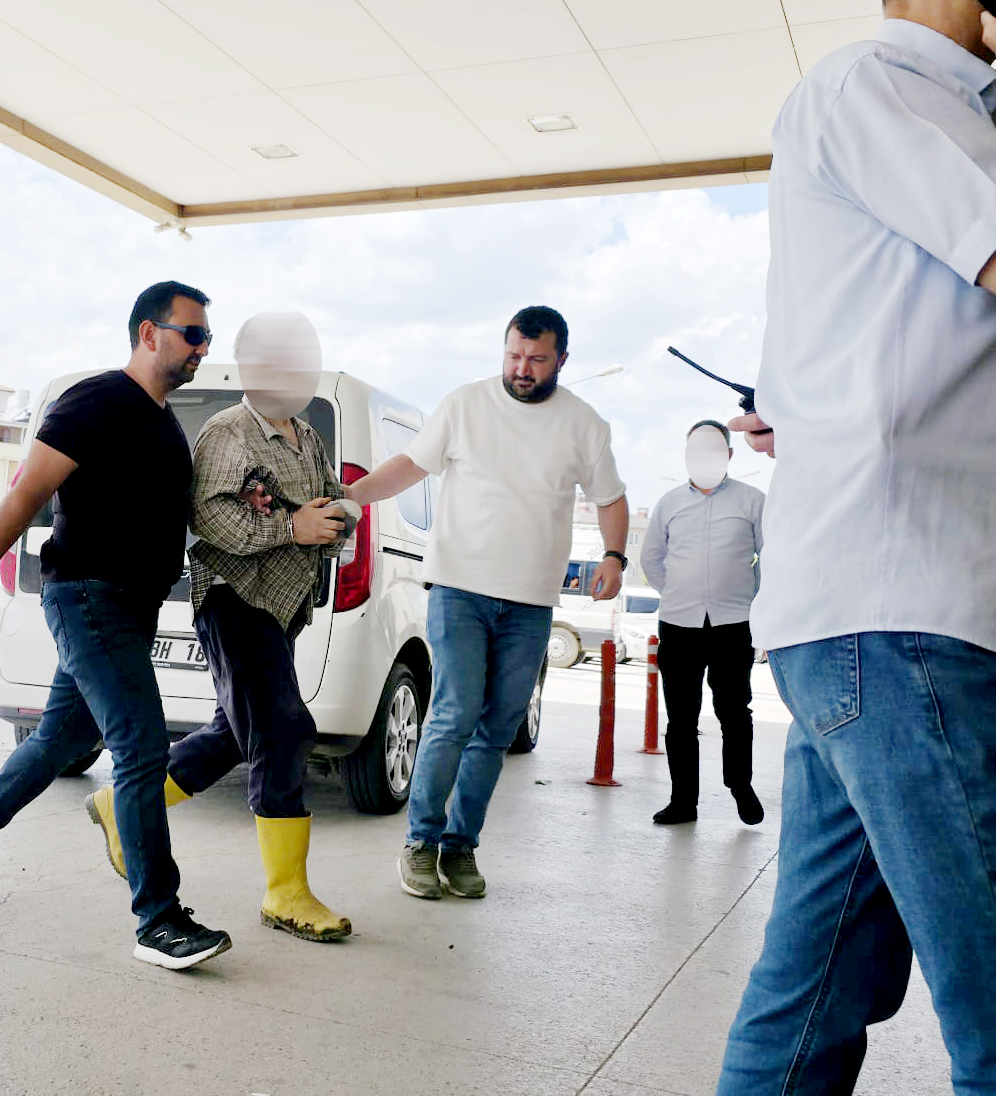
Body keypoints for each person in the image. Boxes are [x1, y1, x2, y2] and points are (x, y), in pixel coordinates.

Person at [716, 0, 996, 1090]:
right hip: (910, 624)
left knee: (814, 999)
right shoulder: (874, 88)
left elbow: (875, 344)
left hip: (889, 622)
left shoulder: (956, 122)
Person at [0, 280, 232, 971]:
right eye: (192, 334)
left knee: (61, 740)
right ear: (149, 334)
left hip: (132, 607)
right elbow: (27, 492)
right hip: (89, 597)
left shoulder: (163, 422)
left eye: (206, 336)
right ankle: (158, 919)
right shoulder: (94, 401)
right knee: (143, 747)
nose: (202, 348)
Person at [81, 311, 355, 942]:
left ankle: (120, 808)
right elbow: (209, 521)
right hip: (235, 601)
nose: (298, 370)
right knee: (284, 729)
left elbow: (331, 493)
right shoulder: (227, 433)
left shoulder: (305, 434)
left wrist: (337, 511)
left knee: (238, 731)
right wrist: (293, 528)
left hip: (283, 606)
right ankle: (286, 893)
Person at [347, 305, 629, 901]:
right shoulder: (465, 404)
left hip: (529, 603)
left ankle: (460, 845)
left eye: (537, 359)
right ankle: (420, 843)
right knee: (452, 713)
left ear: (562, 361)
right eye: (514, 356)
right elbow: (410, 465)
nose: (523, 369)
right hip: (460, 590)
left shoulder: (585, 425)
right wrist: (353, 499)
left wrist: (614, 555)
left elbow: (611, 498)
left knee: (498, 726)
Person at [640, 420, 766, 826]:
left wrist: (754, 602)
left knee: (734, 711)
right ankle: (683, 802)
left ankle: (740, 786)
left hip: (734, 623)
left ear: (730, 455)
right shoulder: (669, 503)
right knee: (681, 718)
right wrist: (679, 592)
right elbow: (651, 560)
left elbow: (771, 557)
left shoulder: (753, 501)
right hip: (679, 624)